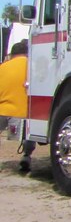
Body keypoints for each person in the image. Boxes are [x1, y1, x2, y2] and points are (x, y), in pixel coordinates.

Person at [0, 40, 35, 172]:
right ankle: (26, 156)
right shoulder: (32, 67)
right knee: (29, 133)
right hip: (24, 112)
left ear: (12, 54)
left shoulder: (3, 67)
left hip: (2, 111)